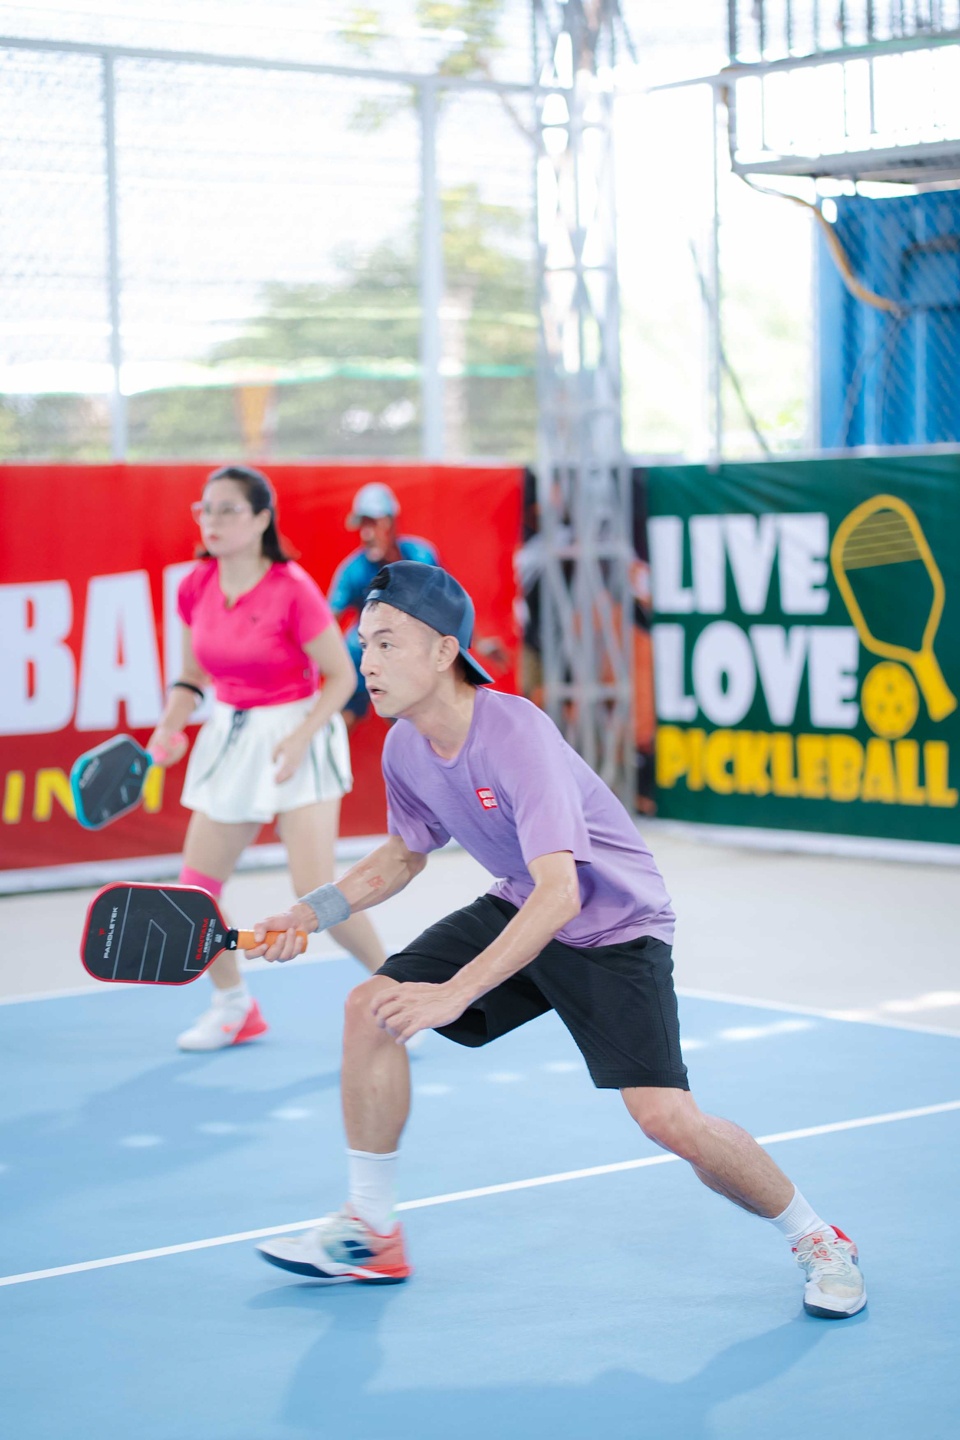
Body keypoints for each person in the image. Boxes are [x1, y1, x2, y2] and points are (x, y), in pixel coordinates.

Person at [245, 561, 866, 1320]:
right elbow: (406, 853)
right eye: (363, 643)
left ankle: (818, 1238)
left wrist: (454, 993)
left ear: (443, 652)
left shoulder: (515, 732)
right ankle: (372, 1229)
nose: (366, 661)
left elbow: (564, 892)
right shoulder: (405, 746)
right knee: (369, 1005)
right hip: (524, 901)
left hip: (613, 926)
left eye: (386, 643)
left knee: (668, 1120)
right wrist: (308, 912)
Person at [147, 464, 386, 1052]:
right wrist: (169, 727)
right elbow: (191, 675)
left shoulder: (293, 589)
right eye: (205, 509)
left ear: (260, 520)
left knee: (316, 892)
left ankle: (400, 986)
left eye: (228, 509)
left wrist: (301, 736)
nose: (213, 520)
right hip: (231, 734)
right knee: (194, 891)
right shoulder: (195, 586)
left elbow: (341, 675)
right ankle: (234, 1005)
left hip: (299, 730)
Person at [327, 482, 439, 730]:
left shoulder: (421, 557)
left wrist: (477, 643)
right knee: (340, 720)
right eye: (362, 525)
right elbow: (326, 624)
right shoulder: (353, 570)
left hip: (407, 656)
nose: (366, 534)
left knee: (415, 724)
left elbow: (448, 606)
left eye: (373, 523)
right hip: (361, 653)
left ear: (391, 523)